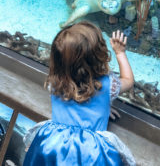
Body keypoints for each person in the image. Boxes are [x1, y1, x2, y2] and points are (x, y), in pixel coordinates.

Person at [23, 21, 136, 165]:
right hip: (91, 152)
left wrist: (104, 106)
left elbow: (76, 99)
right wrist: (120, 53)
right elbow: (128, 79)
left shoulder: (55, 81)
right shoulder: (108, 85)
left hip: (53, 143)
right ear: (98, 55)